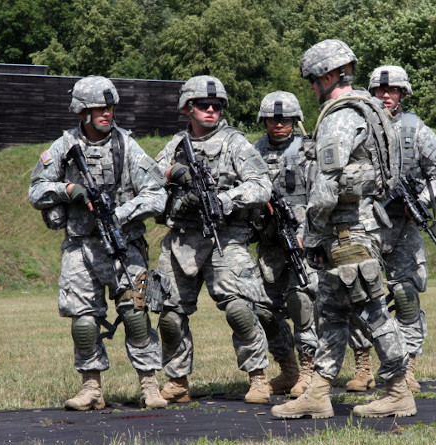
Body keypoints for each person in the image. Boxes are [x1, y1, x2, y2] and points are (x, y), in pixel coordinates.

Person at [271, 40, 415, 419]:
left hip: (347, 230)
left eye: (315, 80)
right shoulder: (370, 110)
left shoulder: (339, 116)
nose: (313, 88)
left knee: (372, 310)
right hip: (359, 224)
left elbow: (327, 183)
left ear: (331, 75)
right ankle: (318, 392)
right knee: (331, 310)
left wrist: (312, 231)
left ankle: (399, 390)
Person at [28, 75, 168, 411]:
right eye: (98, 108)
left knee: (136, 314)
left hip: (124, 242)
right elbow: (35, 190)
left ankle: (149, 385)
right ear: (82, 112)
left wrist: (121, 213)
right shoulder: (63, 147)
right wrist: (66, 191)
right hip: (81, 246)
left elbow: (157, 193)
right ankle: (91, 388)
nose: (107, 113)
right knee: (84, 322)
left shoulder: (125, 145)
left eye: (110, 107)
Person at [147, 75, 273, 404]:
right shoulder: (175, 145)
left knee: (240, 310)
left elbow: (262, 185)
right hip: (181, 239)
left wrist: (224, 200)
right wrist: (175, 173)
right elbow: (146, 177)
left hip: (225, 237)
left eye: (217, 106)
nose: (211, 110)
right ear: (188, 108)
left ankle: (258, 377)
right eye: (203, 105)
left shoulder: (235, 143)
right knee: (170, 316)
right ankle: (177, 380)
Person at [345, 66, 436, 395]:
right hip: (363, 225)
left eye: (393, 90)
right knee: (358, 295)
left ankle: (406, 368)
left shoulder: (415, 129)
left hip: (403, 227)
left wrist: (421, 199)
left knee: (406, 296)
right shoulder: (355, 127)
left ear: (403, 94)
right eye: (380, 90)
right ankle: (363, 366)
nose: (386, 95)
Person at [252, 91, 319, 398]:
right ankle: (289, 370)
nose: (279, 125)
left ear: (295, 120)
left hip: (302, 241)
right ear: (263, 121)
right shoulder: (253, 152)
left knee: (302, 301)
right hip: (269, 244)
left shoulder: (309, 152)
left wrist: (308, 232)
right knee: (264, 308)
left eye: (285, 119)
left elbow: (322, 196)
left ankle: (308, 370)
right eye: (272, 120)